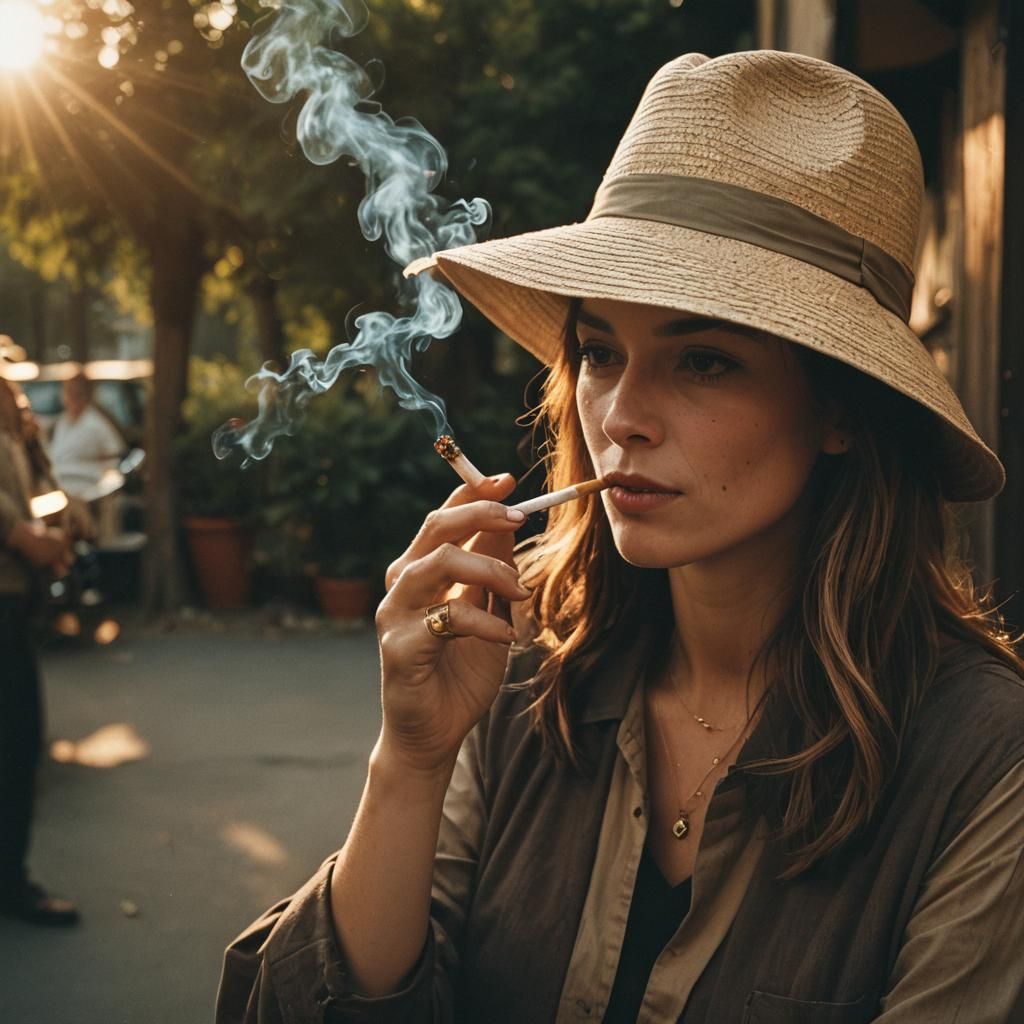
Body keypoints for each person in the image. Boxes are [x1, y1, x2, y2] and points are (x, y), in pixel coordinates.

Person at [216, 51, 1024, 1022]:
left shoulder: (980, 762)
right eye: (599, 352)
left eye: (705, 362)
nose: (622, 415)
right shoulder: (522, 659)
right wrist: (410, 761)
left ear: (838, 411)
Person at [0, 377, 78, 926]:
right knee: (15, 745)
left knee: (17, 748)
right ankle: (11, 887)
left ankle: (10, 883)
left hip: (14, 609)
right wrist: (37, 542)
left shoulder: (15, 434)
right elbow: (16, 529)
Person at [49, 371, 125, 500]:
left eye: (76, 393)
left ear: (86, 395)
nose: (71, 397)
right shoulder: (63, 422)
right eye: (68, 391)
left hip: (87, 493)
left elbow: (114, 460)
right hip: (59, 492)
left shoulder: (96, 424)